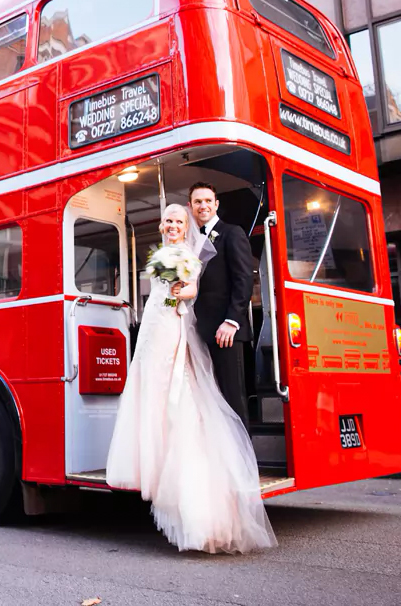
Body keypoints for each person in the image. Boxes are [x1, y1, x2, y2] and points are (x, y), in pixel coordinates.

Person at [106, 203, 276, 554]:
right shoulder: (163, 252)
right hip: (154, 327)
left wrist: (176, 298)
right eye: (168, 220)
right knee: (151, 387)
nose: (172, 225)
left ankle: (170, 469)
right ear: (162, 224)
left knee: (172, 387)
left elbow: (188, 292)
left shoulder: (185, 253)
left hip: (168, 326)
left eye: (178, 221)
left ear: (186, 227)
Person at [188, 181, 254, 426]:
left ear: (216, 204)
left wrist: (232, 321)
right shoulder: (190, 242)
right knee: (207, 397)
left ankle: (243, 463)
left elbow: (244, 279)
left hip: (225, 331)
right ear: (191, 206)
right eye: (197, 202)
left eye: (207, 201)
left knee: (232, 397)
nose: (203, 206)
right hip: (198, 331)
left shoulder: (232, 233)